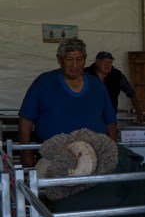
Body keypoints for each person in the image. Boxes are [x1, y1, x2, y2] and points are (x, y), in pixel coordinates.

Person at [18, 38, 117, 167]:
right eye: (69, 59)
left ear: (85, 61)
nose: (74, 65)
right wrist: (26, 151)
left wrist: (112, 151)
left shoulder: (96, 84)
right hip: (52, 155)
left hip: (93, 155)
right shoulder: (44, 82)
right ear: (59, 60)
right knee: (55, 185)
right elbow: (25, 119)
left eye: (79, 60)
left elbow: (110, 122)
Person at [85, 51, 145, 123]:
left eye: (110, 62)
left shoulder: (117, 75)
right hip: (87, 116)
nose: (107, 64)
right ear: (97, 62)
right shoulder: (85, 74)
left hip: (109, 117)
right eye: (103, 61)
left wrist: (139, 113)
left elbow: (131, 94)